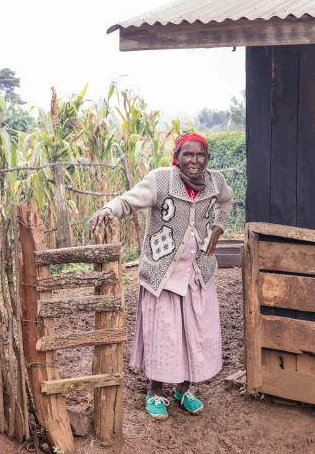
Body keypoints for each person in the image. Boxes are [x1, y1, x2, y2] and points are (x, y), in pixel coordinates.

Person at [89, 132, 233, 420]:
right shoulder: (161, 180)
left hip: (198, 273)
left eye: (200, 155)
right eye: (188, 154)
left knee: (195, 332)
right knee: (164, 334)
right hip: (163, 274)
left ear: (207, 158)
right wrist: (108, 209)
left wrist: (219, 226)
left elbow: (226, 202)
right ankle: (155, 392)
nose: (194, 160)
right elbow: (128, 201)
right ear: (177, 158)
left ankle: (183, 389)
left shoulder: (215, 181)